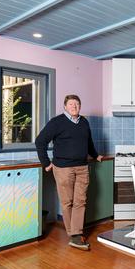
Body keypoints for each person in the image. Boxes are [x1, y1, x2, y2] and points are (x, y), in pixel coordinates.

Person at [35, 94, 102, 251]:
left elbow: (88, 142)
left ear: (80, 106)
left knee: (81, 201)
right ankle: (74, 235)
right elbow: (40, 141)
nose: (74, 106)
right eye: (71, 104)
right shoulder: (57, 122)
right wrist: (45, 163)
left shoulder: (84, 122)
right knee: (67, 202)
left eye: (77, 104)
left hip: (82, 167)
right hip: (63, 168)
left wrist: (95, 155)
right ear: (65, 106)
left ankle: (76, 234)